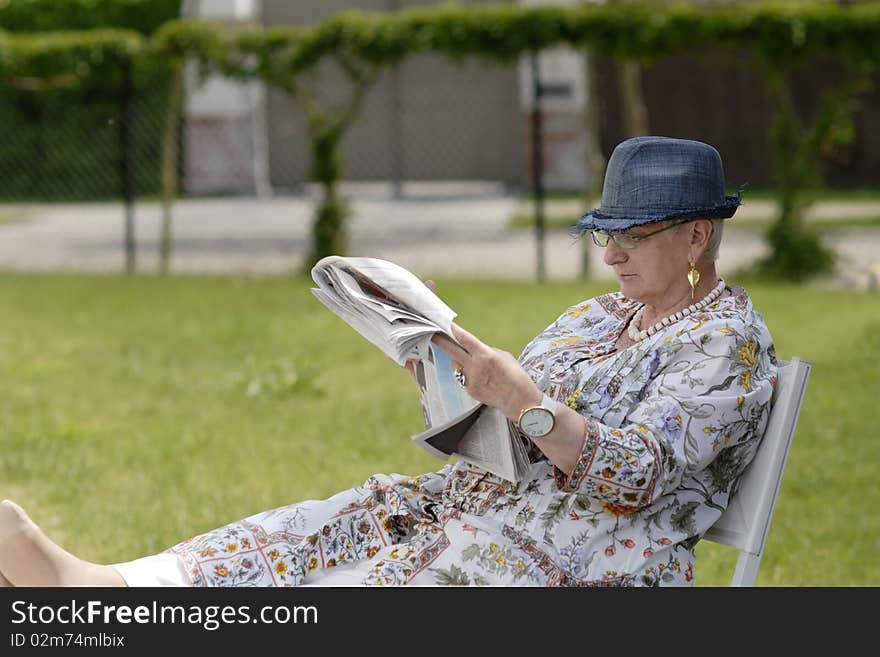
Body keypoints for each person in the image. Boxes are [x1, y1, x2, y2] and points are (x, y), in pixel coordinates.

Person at [0, 136, 777, 587]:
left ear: (697, 237)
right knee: (311, 531)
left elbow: (640, 478)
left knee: (368, 581)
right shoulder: (600, 315)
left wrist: (528, 404)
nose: (609, 255)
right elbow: (504, 432)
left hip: (585, 556)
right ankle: (110, 588)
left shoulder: (726, 346)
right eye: (604, 235)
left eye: (630, 237)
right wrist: (439, 369)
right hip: (480, 506)